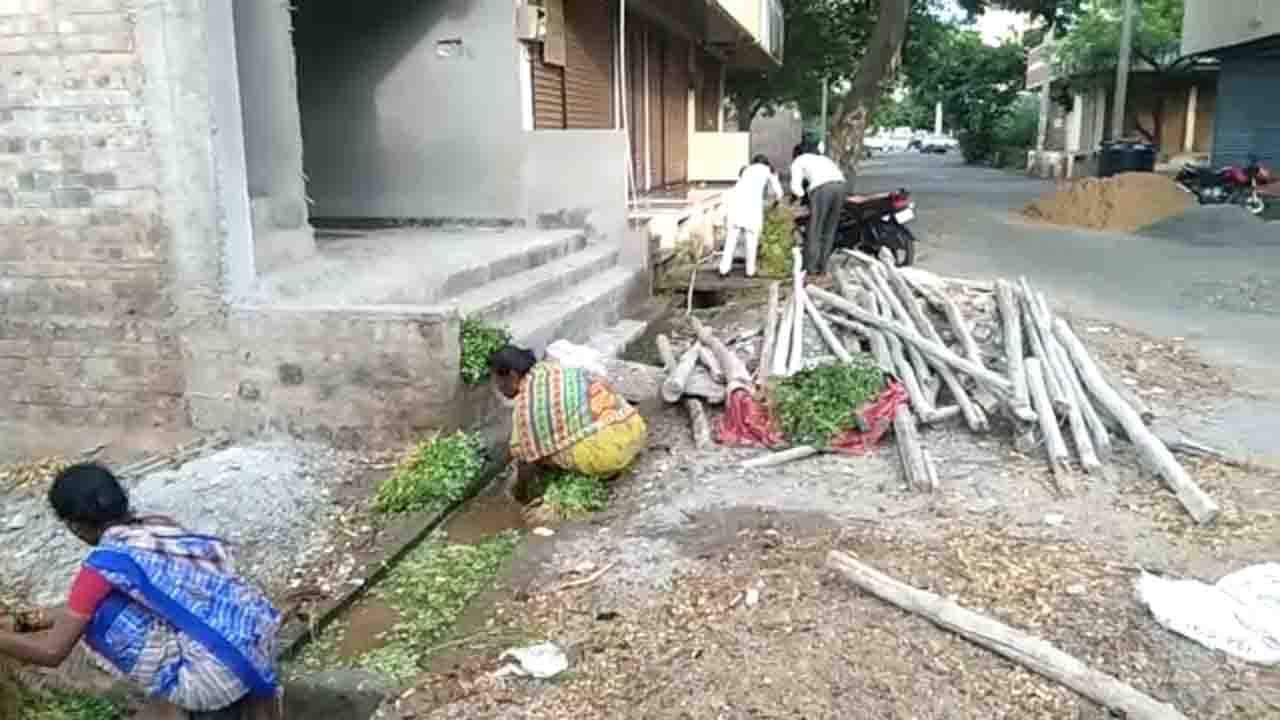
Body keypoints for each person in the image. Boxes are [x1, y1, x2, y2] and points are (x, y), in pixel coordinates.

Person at [0, 464, 282, 720]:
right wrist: (21, 622)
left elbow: (52, 652)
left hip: (214, 681)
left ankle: (180, 696)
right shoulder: (159, 527)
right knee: (102, 604)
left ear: (74, 526)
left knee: (103, 611)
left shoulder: (102, 567)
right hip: (255, 650)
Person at [490, 345, 647, 482]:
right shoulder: (554, 369)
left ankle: (602, 472)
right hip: (634, 429)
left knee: (534, 453)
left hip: (609, 456)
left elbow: (523, 456)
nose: (498, 388)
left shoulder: (525, 405)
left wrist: (520, 491)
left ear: (512, 376)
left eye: (497, 382)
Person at [789, 142, 848, 279]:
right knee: (829, 229)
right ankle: (823, 268)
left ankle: (810, 269)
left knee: (815, 229)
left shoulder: (798, 161)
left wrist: (799, 199)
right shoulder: (823, 158)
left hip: (822, 188)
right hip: (840, 186)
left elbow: (795, 188)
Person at [720, 154, 784, 278]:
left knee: (731, 239)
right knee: (751, 240)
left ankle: (724, 269)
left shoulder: (747, 169)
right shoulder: (768, 170)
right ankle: (750, 271)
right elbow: (778, 192)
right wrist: (776, 202)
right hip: (752, 207)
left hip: (736, 204)